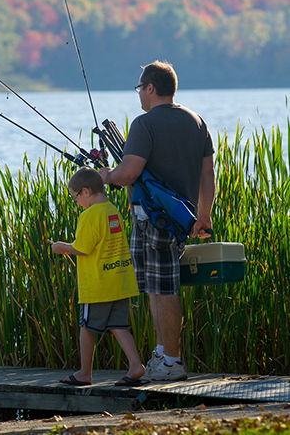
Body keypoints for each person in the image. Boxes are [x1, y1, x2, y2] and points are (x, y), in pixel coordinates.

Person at [99, 60, 216, 382]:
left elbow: (129, 173)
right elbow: (208, 173)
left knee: (164, 290)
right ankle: (163, 353)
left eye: (140, 87)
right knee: (155, 286)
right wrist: (202, 216)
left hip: (154, 219)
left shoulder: (144, 124)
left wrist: (106, 175)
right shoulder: (196, 121)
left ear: (150, 88)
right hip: (180, 219)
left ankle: (173, 362)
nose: (139, 94)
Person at [50, 166, 145, 386]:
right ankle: (135, 366)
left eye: (75, 198)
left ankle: (84, 373)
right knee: (118, 326)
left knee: (87, 326)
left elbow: (82, 248)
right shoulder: (113, 210)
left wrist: (61, 247)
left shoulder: (89, 216)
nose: (77, 203)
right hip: (119, 281)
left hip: (99, 285)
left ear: (85, 191)